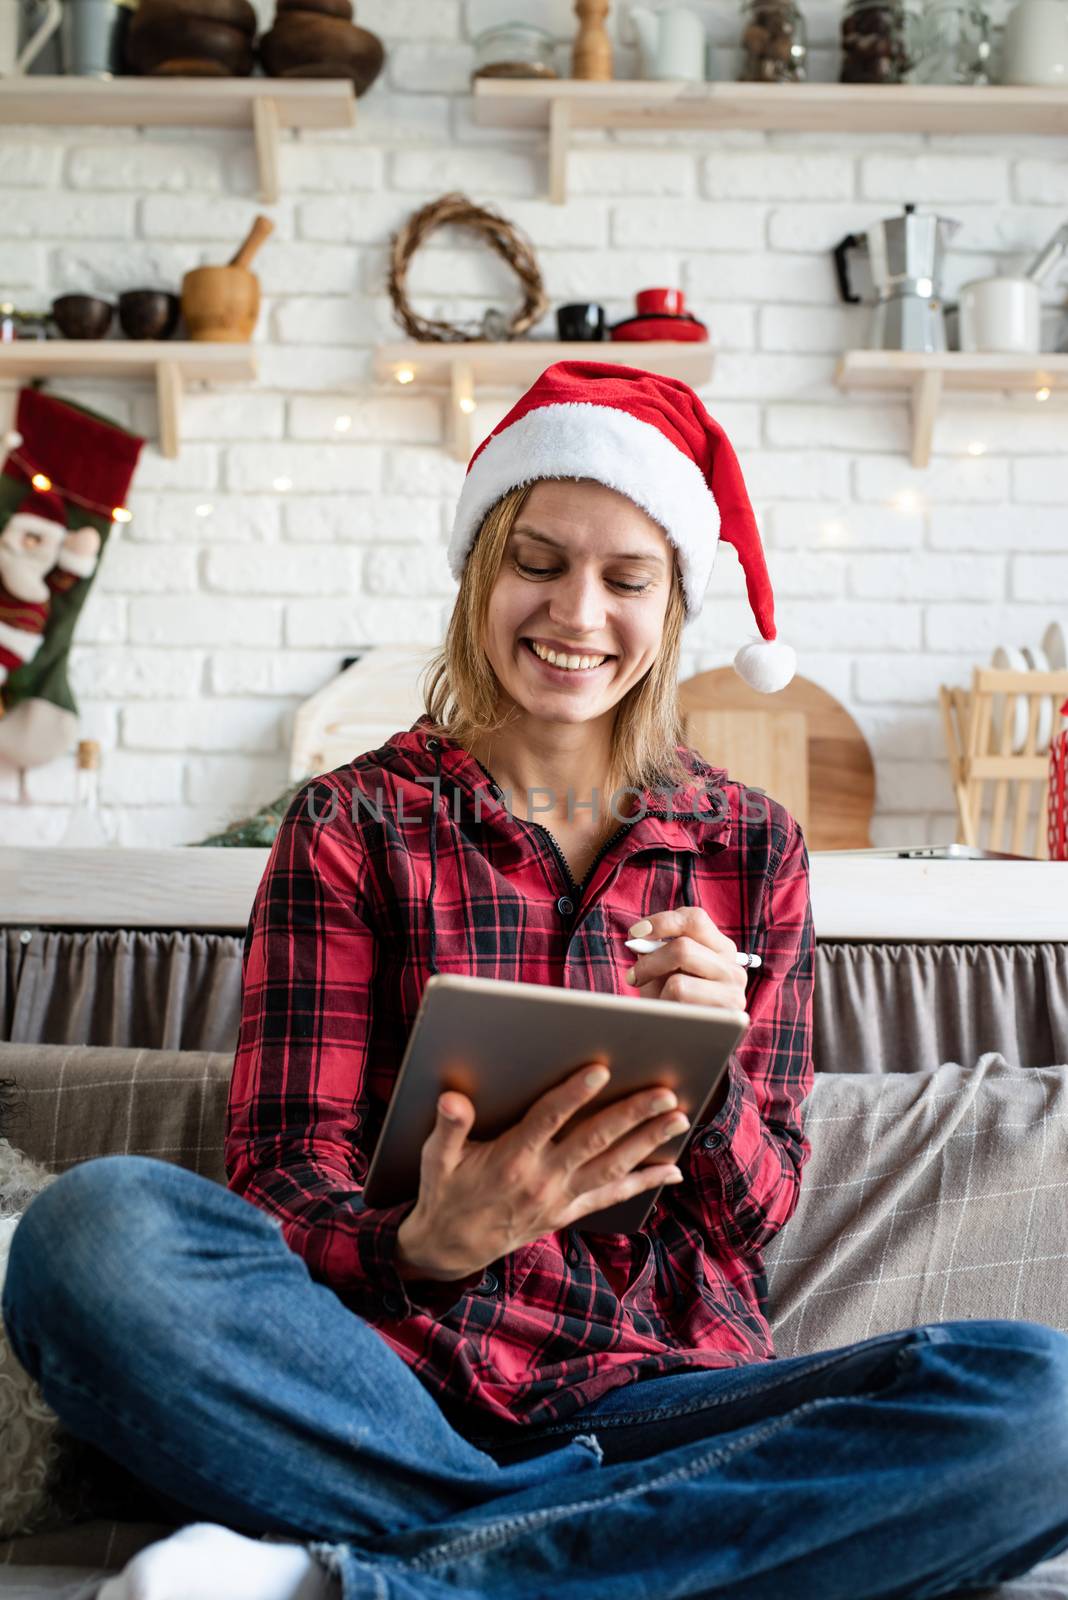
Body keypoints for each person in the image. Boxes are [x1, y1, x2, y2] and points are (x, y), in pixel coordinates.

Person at [3, 361, 1067, 1600]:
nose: (577, 612)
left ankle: (380, 1577)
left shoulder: (753, 846)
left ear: (672, 609)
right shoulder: (356, 821)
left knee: (1039, 1403)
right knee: (94, 1233)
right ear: (480, 573)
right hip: (380, 1394)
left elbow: (759, 1214)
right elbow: (283, 1172)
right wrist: (420, 1240)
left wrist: (714, 1066)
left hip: (670, 1407)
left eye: (628, 580)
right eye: (540, 562)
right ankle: (564, 1551)